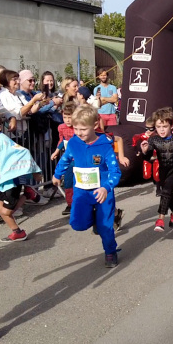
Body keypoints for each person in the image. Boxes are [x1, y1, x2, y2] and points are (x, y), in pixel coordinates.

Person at [52, 105, 121, 267]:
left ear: (95, 125)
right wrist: (57, 174)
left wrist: (106, 187)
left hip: (102, 192)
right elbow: (65, 159)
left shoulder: (105, 145)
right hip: (82, 192)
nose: (78, 132)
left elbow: (115, 172)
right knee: (77, 224)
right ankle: (95, 220)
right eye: (75, 128)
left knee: (105, 228)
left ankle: (110, 251)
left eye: (83, 129)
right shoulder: (74, 142)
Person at [0, 110, 44, 242]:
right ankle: (17, 231)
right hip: (2, 179)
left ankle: (28, 195)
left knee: (6, 211)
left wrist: (35, 171)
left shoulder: (2, 140)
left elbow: (22, 152)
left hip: (12, 180)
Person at [51, 101, 78, 215]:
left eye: (69, 117)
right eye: (65, 117)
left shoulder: (78, 127)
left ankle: (79, 203)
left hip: (78, 158)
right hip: (67, 158)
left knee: (78, 181)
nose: (67, 120)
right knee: (67, 181)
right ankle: (70, 204)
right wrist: (56, 151)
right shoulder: (61, 127)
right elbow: (62, 141)